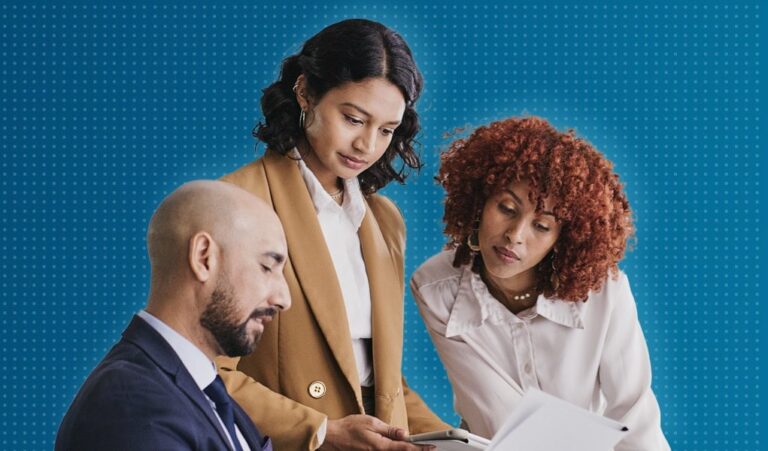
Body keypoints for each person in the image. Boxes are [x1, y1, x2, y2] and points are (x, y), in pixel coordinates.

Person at [217, 18, 448, 450]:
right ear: (305, 92)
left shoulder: (384, 220)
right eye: (353, 118)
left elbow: (379, 378)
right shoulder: (237, 201)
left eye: (386, 130)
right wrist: (320, 431)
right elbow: (205, 370)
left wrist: (455, 440)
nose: (367, 145)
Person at [411, 116, 671, 450]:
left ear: (564, 239)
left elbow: (635, 417)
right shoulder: (435, 288)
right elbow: (496, 411)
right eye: (506, 208)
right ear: (480, 200)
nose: (514, 236)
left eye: (542, 226)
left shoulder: (604, 291)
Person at [56, 180, 289, 451]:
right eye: (267, 267)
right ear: (204, 258)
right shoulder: (132, 406)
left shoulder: (203, 393)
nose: (284, 299)